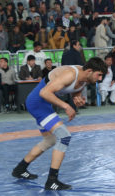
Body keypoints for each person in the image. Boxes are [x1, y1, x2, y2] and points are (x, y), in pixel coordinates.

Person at [11, 57, 107, 190]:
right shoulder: (70, 74)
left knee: (50, 140)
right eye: (99, 75)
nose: (100, 79)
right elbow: (44, 92)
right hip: (37, 103)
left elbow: (75, 89)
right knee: (64, 136)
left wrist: (76, 98)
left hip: (43, 104)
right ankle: (52, 181)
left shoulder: (86, 77)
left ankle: (20, 169)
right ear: (90, 71)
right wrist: (66, 106)